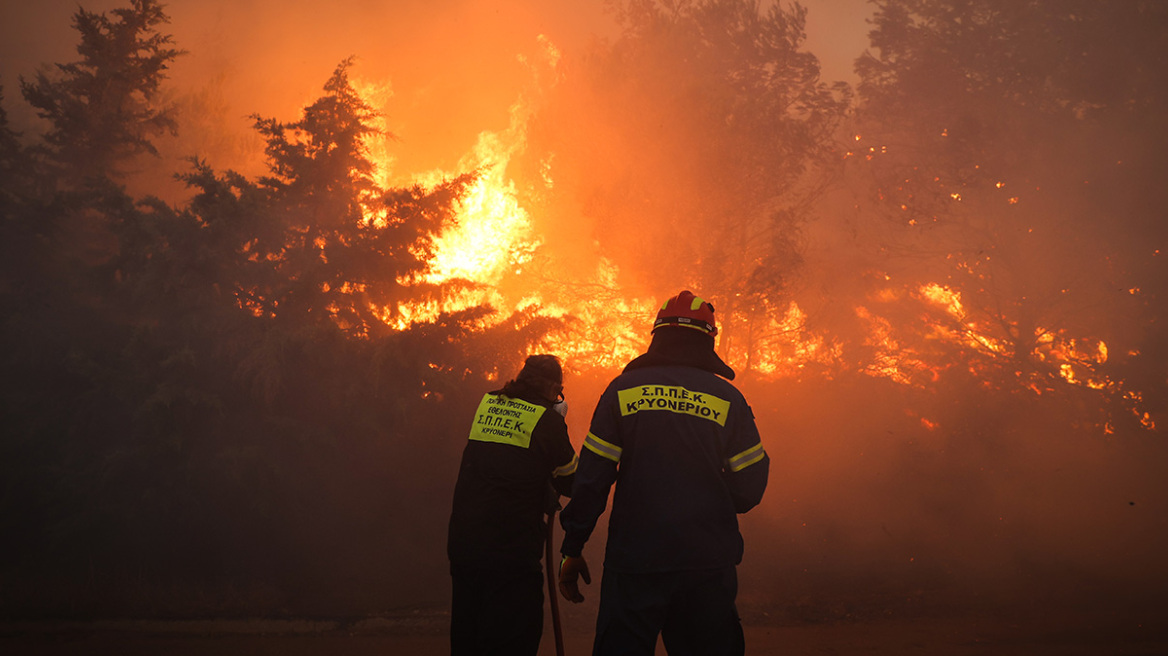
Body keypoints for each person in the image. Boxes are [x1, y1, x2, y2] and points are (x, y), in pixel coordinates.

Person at [558, 291, 769, 655]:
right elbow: (749, 487)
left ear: (657, 336)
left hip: (637, 559)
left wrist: (573, 546)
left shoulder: (622, 391)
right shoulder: (727, 399)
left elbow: (592, 480)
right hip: (706, 561)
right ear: (708, 339)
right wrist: (710, 502)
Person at [447, 354, 578, 656]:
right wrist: (557, 421)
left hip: (465, 547)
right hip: (510, 555)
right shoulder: (547, 422)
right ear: (554, 389)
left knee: (469, 637)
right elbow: (572, 482)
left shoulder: (488, 402)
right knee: (514, 638)